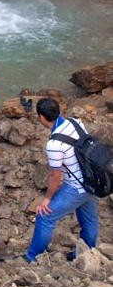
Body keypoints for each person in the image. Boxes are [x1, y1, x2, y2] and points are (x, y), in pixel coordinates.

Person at [22, 98, 98, 263]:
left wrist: (47, 199)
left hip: (77, 186)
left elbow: (54, 176)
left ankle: (32, 257)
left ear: (42, 118)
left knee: (45, 216)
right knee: (89, 218)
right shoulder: (75, 122)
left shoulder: (54, 144)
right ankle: (85, 253)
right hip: (92, 181)